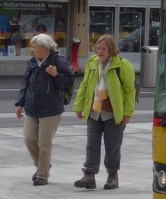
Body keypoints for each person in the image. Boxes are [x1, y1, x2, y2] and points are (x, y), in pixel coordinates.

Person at [72, 34, 136, 190]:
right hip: (94, 111)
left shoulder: (122, 64)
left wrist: (127, 113)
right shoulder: (92, 62)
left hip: (113, 113)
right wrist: (78, 106)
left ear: (111, 50)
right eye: (98, 48)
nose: (100, 51)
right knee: (91, 144)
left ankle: (112, 176)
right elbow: (85, 85)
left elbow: (129, 91)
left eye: (104, 49)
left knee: (112, 146)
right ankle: (89, 175)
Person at [14, 33, 75, 186]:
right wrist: (20, 104)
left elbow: (69, 82)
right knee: (29, 139)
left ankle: (42, 174)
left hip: (51, 109)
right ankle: (43, 165)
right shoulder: (33, 62)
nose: (32, 50)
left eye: (34, 47)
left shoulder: (58, 62)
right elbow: (25, 84)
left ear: (45, 48)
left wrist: (56, 75)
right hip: (32, 107)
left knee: (44, 144)